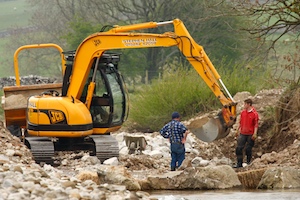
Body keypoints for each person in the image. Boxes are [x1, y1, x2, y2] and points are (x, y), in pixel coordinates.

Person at [234, 98, 259, 168]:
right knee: (238, 148)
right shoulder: (243, 113)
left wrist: (255, 133)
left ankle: (248, 162)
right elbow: (240, 122)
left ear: (249, 104)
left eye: (245, 104)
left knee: (248, 149)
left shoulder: (254, 114)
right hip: (243, 133)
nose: (243, 105)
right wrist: (237, 130)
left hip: (250, 134)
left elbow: (256, 124)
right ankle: (239, 163)